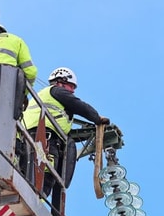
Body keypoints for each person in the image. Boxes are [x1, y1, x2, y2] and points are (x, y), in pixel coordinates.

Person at [20, 66, 110, 198]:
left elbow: (67, 134)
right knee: (45, 175)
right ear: (60, 82)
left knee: (33, 173)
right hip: (44, 139)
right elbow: (80, 106)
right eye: (71, 86)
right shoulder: (56, 91)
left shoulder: (48, 100)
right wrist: (97, 118)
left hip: (34, 137)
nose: (73, 91)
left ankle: (34, 201)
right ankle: (34, 202)